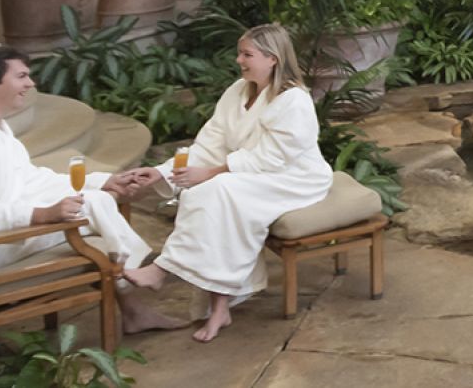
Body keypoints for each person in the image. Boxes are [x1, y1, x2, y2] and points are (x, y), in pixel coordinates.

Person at [0, 46, 180, 333]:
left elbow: (30, 179)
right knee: (93, 206)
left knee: (96, 199)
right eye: (22, 76)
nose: (31, 84)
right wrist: (40, 215)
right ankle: (135, 283)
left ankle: (134, 300)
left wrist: (102, 180)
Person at [115, 24, 332, 343]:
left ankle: (163, 270)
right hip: (251, 174)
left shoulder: (293, 101)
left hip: (295, 178)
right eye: (239, 53)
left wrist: (215, 172)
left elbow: (273, 158)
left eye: (247, 54)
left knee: (217, 190)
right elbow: (209, 143)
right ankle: (220, 308)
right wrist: (162, 172)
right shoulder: (238, 91)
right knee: (212, 198)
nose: (238, 60)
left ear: (272, 59)